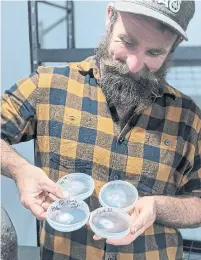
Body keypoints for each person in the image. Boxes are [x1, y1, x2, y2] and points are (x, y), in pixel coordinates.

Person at [1, 0, 201, 259]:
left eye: (154, 53)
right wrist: (20, 170)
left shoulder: (188, 117)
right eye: (127, 42)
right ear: (110, 17)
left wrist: (158, 207)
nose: (133, 65)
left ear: (173, 47)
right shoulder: (49, 86)